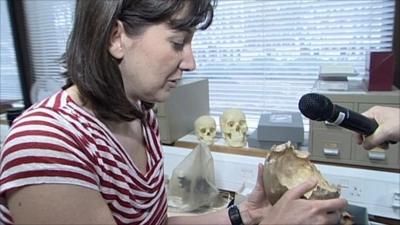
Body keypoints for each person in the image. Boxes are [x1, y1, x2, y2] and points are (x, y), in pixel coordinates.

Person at [0, 0, 347, 224]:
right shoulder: (47, 143)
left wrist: (247, 215)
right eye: (178, 43)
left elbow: (157, 222)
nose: (191, 61)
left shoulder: (139, 114)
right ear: (116, 37)